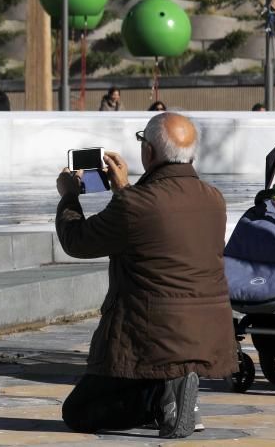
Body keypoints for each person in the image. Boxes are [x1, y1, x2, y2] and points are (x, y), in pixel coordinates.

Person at [55, 113, 237, 438]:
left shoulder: (136, 205)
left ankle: (163, 397)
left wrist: (69, 195)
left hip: (150, 337)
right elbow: (158, 233)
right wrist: (124, 190)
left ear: (149, 152)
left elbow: (77, 240)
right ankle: (174, 394)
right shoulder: (214, 200)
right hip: (205, 335)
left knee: (79, 412)